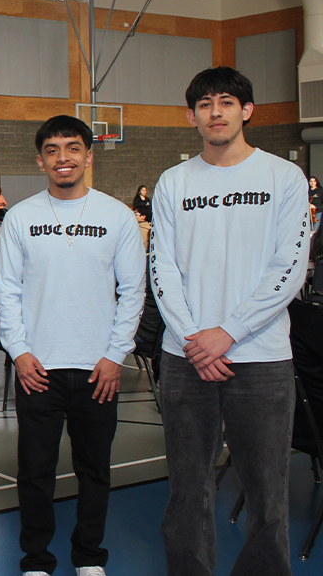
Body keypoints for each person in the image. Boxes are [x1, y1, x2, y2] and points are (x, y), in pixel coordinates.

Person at [151, 67, 310, 576]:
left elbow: (289, 268)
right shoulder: (173, 182)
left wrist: (230, 333)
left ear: (247, 110)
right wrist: (195, 338)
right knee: (187, 488)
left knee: (267, 490)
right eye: (204, 104)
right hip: (186, 356)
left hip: (260, 359)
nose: (214, 112)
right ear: (192, 116)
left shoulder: (282, 178)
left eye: (225, 102)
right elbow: (163, 267)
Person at [0, 115, 145, 576]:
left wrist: (114, 354)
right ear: (41, 160)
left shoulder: (116, 215)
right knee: (35, 472)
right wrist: (19, 351)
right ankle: (36, 559)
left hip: (97, 369)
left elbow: (133, 290)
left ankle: (89, 557)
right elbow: (8, 291)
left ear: (88, 155)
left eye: (73, 148)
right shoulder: (20, 217)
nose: (65, 158)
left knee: (95, 470)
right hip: (37, 367)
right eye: (54, 150)